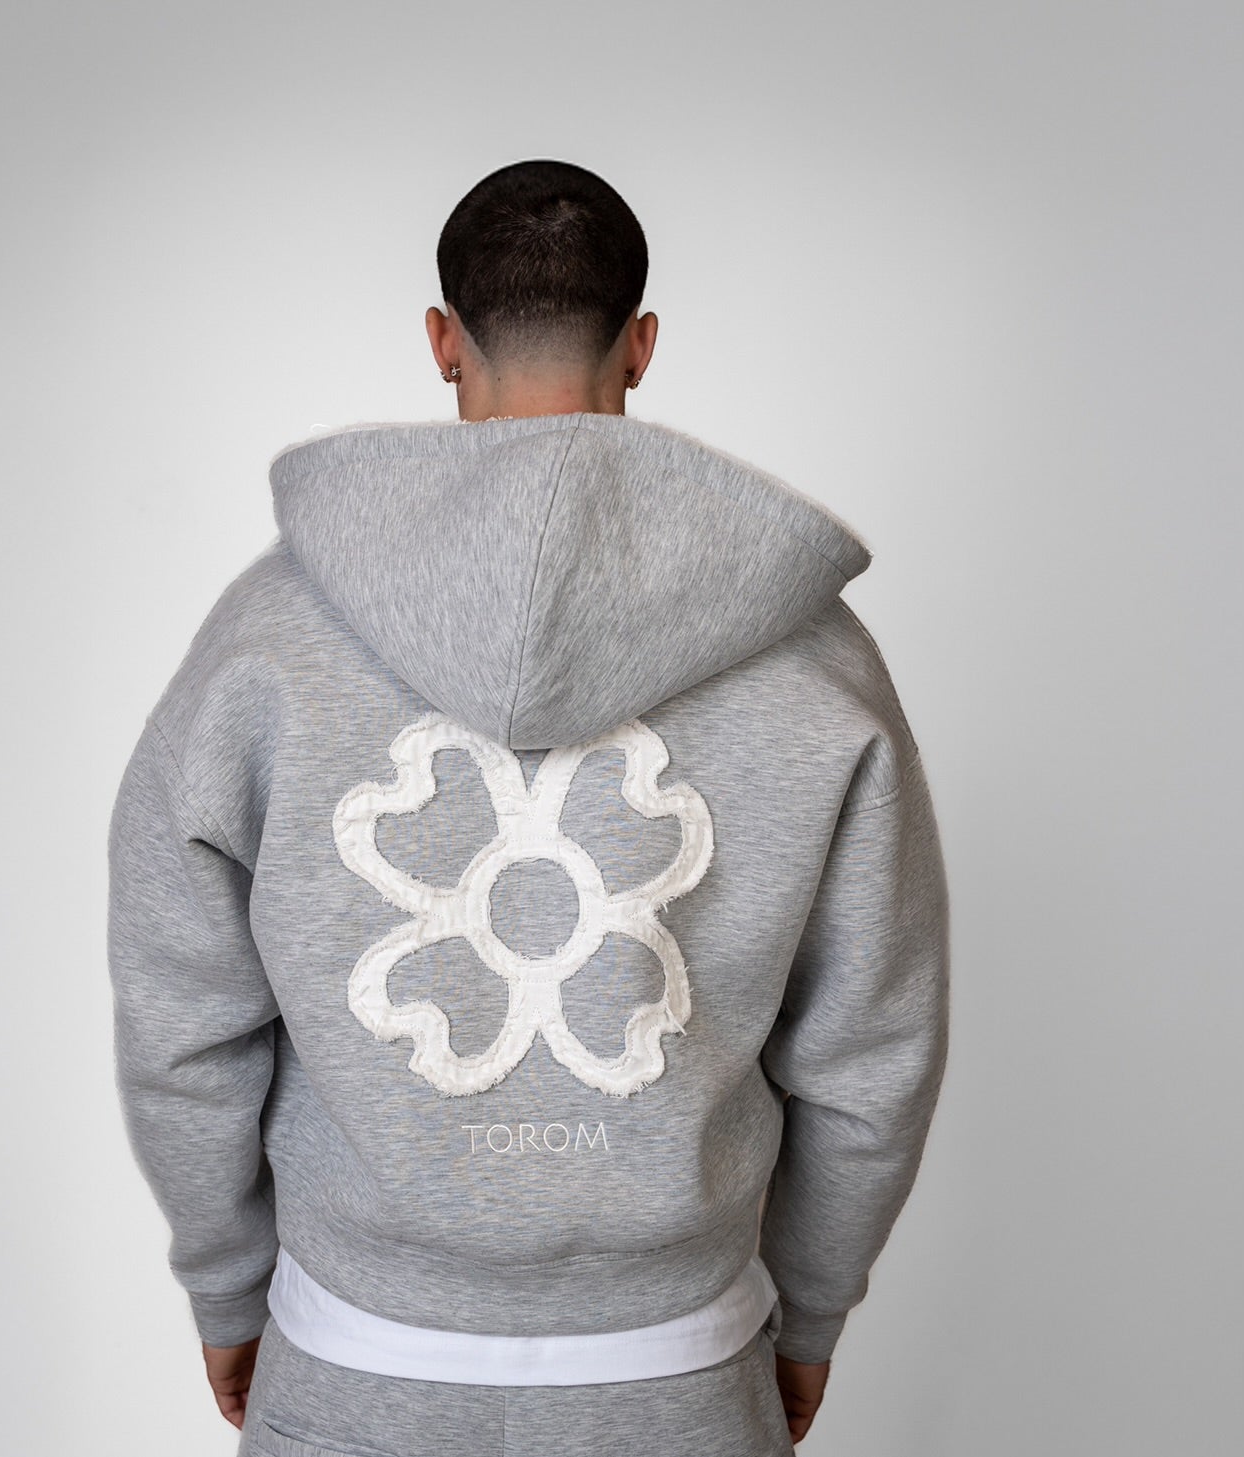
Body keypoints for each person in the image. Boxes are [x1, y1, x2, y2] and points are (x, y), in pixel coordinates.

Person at [106, 158, 951, 1456]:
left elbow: (181, 1019)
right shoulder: (818, 668)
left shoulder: (263, 642)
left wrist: (225, 1285)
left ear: (443, 342)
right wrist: (811, 1312)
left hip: (353, 1366)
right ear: (641, 345)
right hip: (679, 1373)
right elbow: (870, 1053)